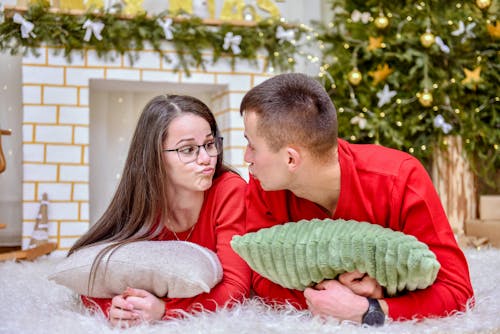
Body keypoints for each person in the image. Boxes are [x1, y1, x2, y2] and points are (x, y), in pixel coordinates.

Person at [240, 73, 474, 325]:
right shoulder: (264, 184)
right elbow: (260, 275)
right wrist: (332, 295)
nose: (246, 157)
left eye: (252, 145)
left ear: (290, 159)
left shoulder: (401, 178)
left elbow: (457, 289)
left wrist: (370, 309)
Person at [69, 94, 250, 327]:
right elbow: (92, 273)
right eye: (188, 150)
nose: (206, 159)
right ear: (155, 156)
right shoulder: (142, 202)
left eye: (209, 144)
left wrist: (166, 310)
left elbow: (236, 286)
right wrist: (113, 308)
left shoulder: (230, 190)